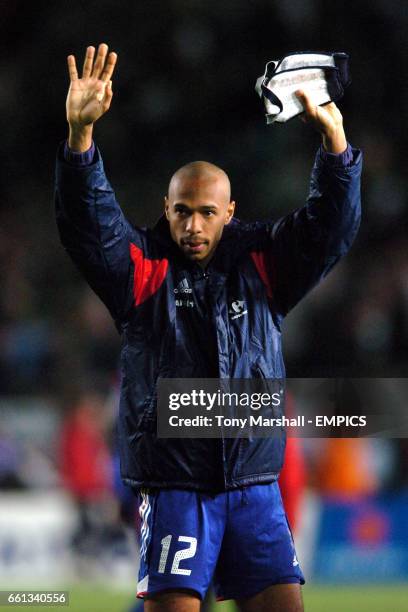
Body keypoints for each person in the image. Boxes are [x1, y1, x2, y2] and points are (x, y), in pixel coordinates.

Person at [55, 43, 362, 612]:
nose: (193, 225)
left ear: (229, 211)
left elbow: (329, 229)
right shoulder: (143, 267)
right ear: (166, 208)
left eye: (206, 212)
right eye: (181, 211)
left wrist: (335, 144)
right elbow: (88, 226)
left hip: (254, 490)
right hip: (176, 489)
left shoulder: (262, 262)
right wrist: (80, 141)